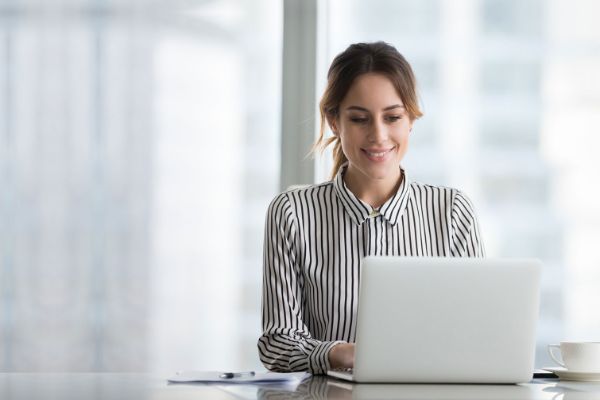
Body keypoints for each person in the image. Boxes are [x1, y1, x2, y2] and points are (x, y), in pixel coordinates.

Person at [257, 41, 485, 375]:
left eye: (392, 117)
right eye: (360, 119)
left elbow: (476, 334)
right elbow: (277, 343)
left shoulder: (452, 211)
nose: (378, 135)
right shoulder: (292, 212)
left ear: (411, 121)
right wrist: (339, 353)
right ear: (334, 122)